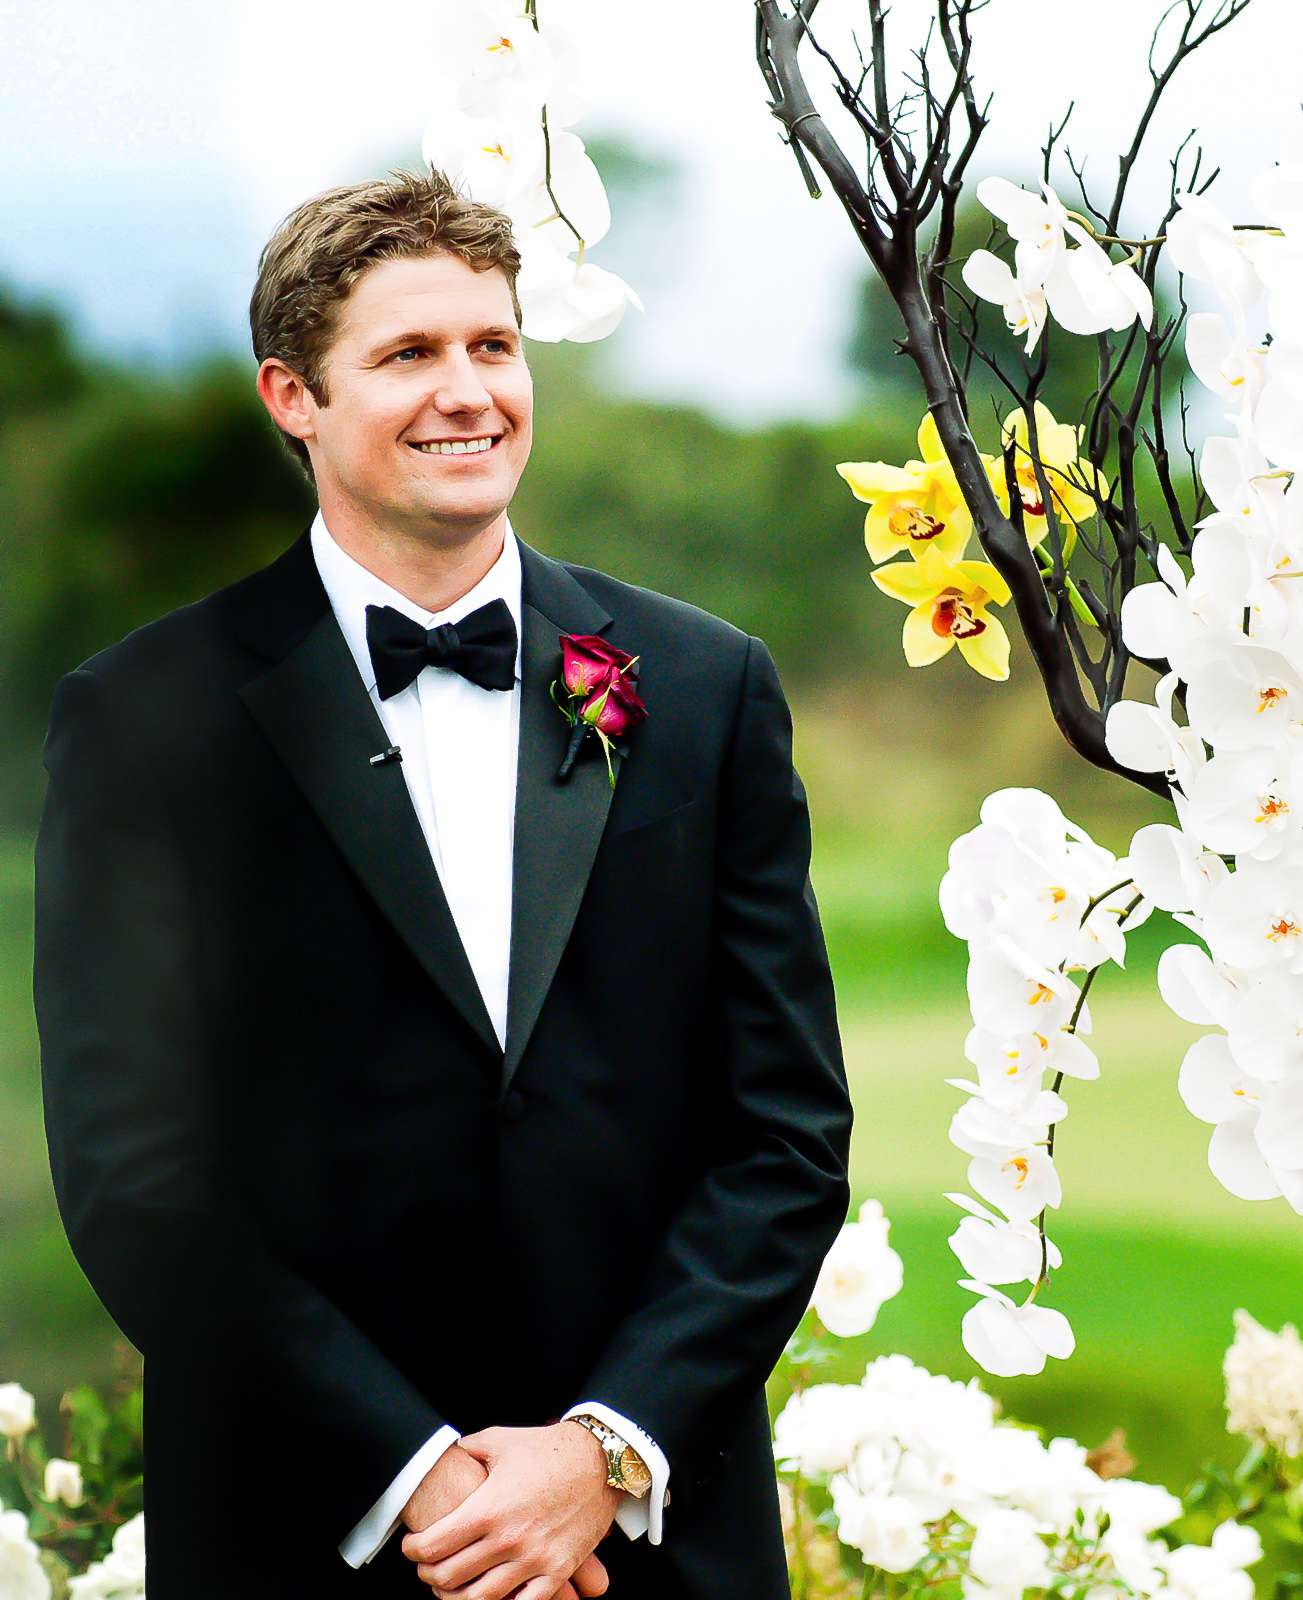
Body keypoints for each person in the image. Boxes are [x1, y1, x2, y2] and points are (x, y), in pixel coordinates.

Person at [32, 168, 853, 1599]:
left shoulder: (708, 688)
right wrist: (423, 1478)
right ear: (293, 396)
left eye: (493, 345)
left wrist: (599, 1456)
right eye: (407, 354)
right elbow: (134, 1175)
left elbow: (783, 1136)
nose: (468, 392)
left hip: (648, 1544)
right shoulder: (144, 716)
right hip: (308, 1531)